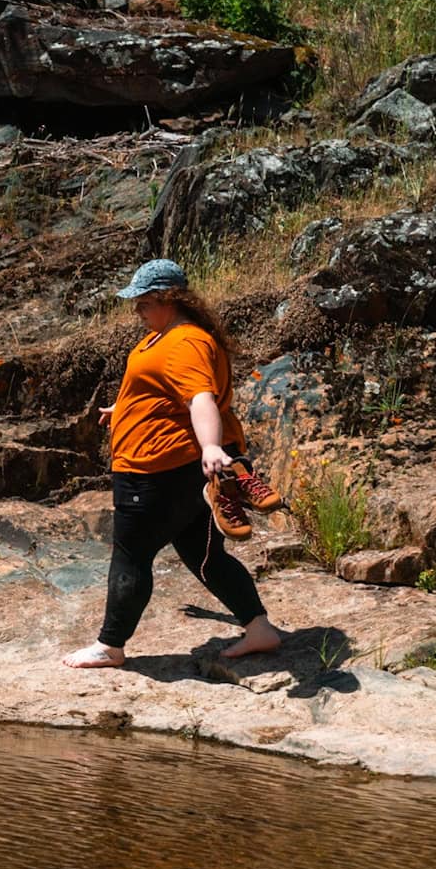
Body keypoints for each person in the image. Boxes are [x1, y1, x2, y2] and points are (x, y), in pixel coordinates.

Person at [62, 259, 283, 668]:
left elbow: (199, 397)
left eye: (143, 302)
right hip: (173, 466)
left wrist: (212, 448)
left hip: (157, 471)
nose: (137, 310)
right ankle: (259, 629)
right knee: (206, 555)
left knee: (131, 554)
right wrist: (126, 407)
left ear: (167, 298)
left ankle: (111, 646)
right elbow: (162, 388)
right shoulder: (165, 336)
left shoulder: (183, 342)